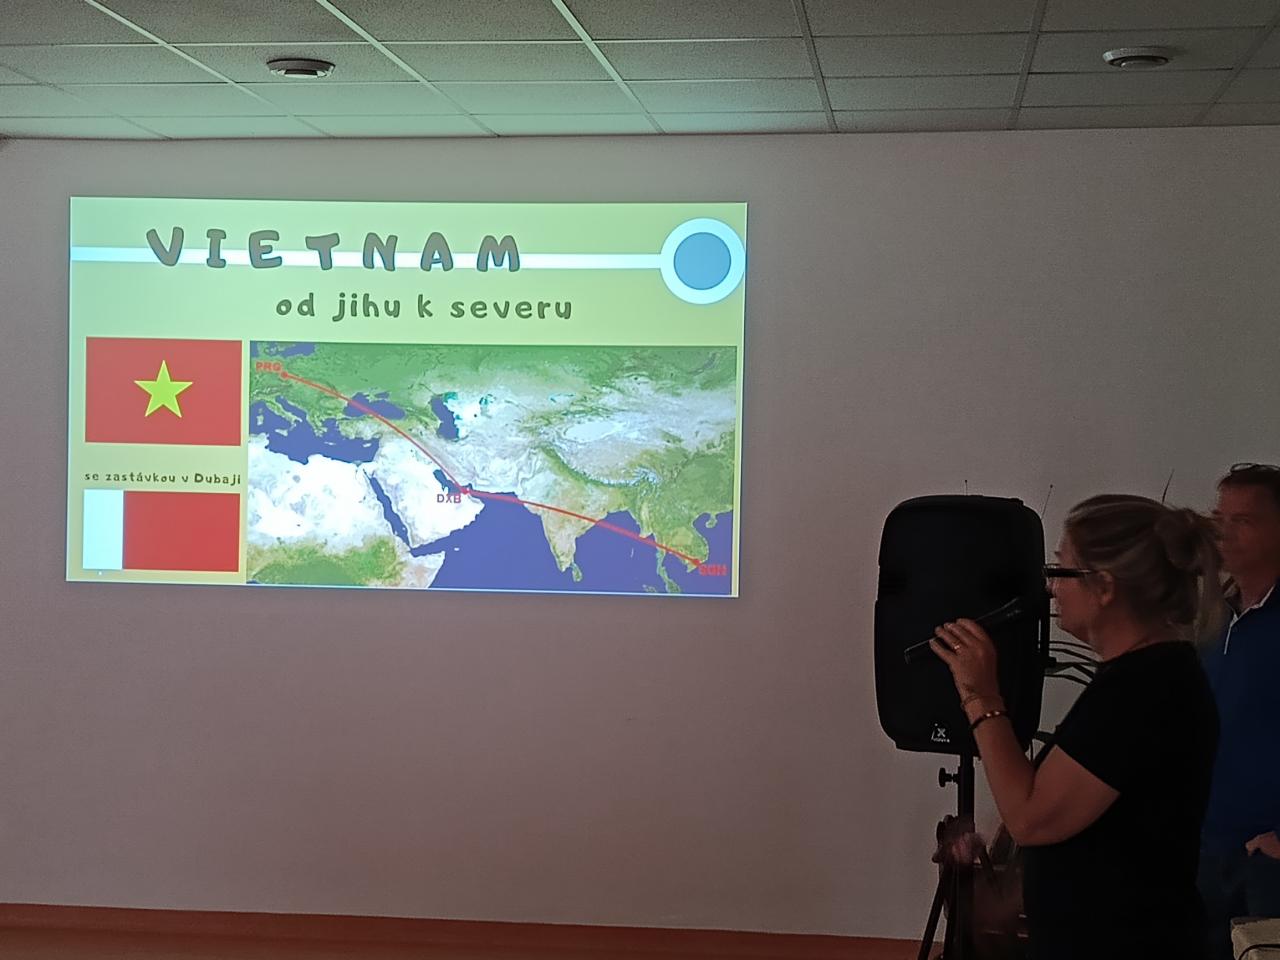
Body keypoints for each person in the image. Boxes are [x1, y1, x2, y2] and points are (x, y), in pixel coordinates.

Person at [930, 494, 1221, 959]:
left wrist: (980, 694)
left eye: (1060, 571)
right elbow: (1109, 825)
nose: (1050, 589)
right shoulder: (1142, 676)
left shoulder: (1145, 689)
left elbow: (1030, 818)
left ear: (1104, 586)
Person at [1199, 463, 1280, 960]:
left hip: (1269, 859)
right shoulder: (1214, 617)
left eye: (1243, 521)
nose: (1224, 533)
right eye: (1219, 519)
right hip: (1208, 848)